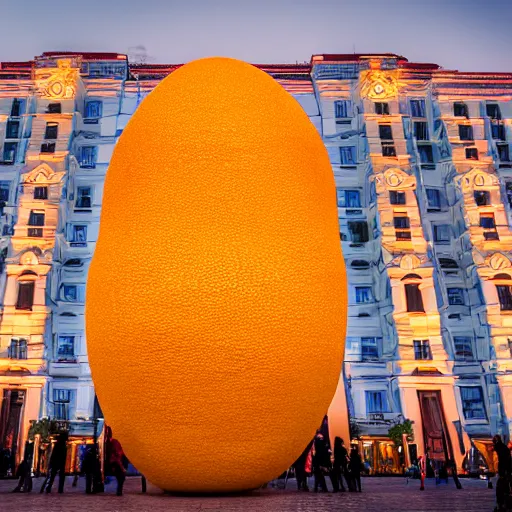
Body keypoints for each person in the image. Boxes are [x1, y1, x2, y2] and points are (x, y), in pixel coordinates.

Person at [493, 435, 512, 511]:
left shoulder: (500, 448)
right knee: (505, 488)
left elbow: (503, 462)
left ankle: (501, 505)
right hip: (506, 472)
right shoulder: (504, 448)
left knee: (501, 488)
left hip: (504, 473)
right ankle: (503, 504)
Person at [106, 427, 126, 496]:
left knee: (120, 477)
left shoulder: (108, 442)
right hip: (114, 462)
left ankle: (119, 491)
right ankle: (119, 491)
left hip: (110, 462)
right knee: (121, 477)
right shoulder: (114, 442)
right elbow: (118, 455)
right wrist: (122, 467)